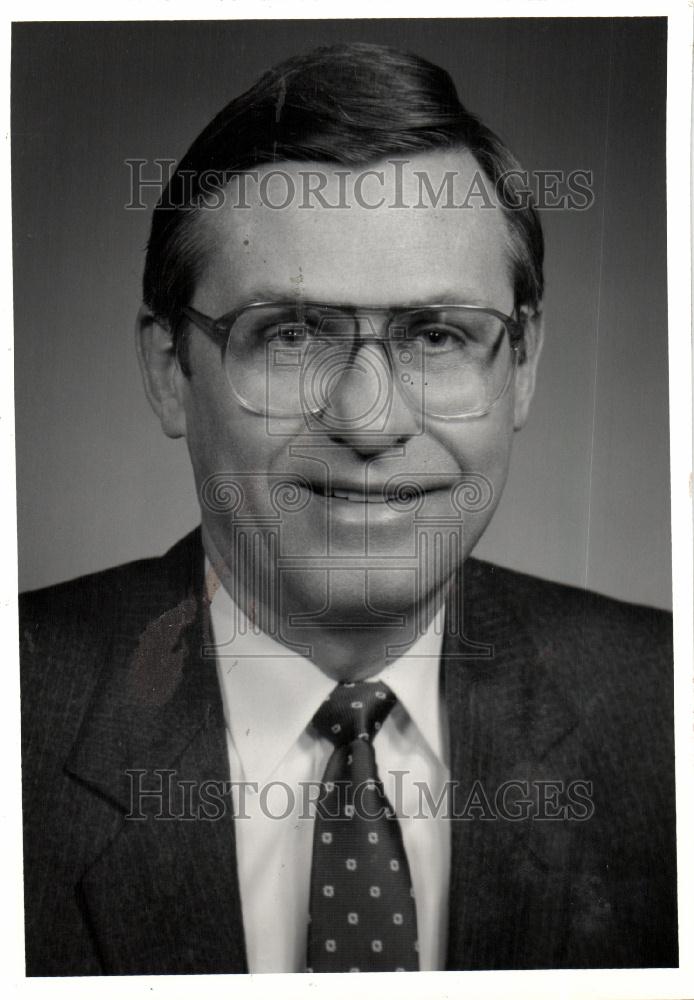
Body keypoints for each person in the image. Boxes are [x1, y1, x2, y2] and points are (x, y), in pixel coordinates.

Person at [19, 42, 677, 975]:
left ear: (521, 368)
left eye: (438, 334)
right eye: (291, 335)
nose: (369, 419)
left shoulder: (666, 715)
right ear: (170, 370)